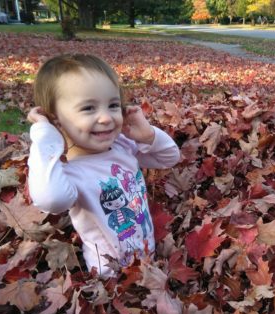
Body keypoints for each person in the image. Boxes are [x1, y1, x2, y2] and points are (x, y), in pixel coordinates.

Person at [27, 54, 180, 278]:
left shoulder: (122, 146)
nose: (106, 118)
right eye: (89, 108)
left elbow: (169, 157)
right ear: (56, 120)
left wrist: (147, 135)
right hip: (110, 278)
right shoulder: (68, 172)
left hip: (147, 258)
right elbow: (51, 200)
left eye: (113, 105)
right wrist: (44, 137)